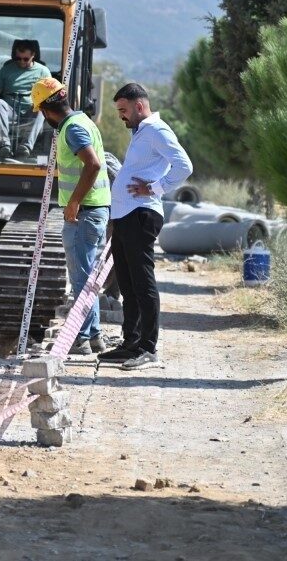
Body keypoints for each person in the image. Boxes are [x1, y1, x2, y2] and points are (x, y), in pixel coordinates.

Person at [97, 82, 193, 371]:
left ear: (139, 106)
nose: (121, 116)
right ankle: (131, 343)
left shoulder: (156, 130)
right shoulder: (141, 132)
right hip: (126, 215)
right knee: (127, 284)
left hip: (142, 215)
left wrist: (155, 188)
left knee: (143, 283)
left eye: (123, 110)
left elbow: (184, 165)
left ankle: (148, 349)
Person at [31, 77, 112, 355]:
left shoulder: (73, 128)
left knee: (80, 277)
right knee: (86, 275)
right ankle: (95, 336)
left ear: (44, 110)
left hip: (84, 212)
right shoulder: (84, 121)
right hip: (94, 209)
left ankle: (83, 338)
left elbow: (93, 164)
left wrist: (74, 202)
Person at [0, 40, 51, 159]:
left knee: (42, 107)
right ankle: (4, 146)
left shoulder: (43, 72)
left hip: (31, 111)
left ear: (33, 55)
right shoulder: (6, 70)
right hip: (10, 110)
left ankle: (25, 147)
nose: (21, 62)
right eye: (18, 58)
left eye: (25, 59)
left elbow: (50, 95)